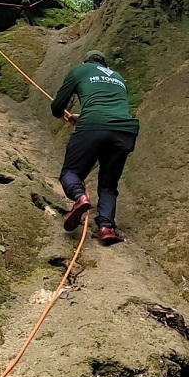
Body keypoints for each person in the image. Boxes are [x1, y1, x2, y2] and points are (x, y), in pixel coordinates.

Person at [50, 50, 139, 245]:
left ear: (86, 62)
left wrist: (73, 116)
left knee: (71, 172)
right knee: (108, 183)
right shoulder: (118, 78)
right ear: (105, 65)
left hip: (93, 126)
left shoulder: (79, 70)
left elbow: (57, 108)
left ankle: (80, 198)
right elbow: (110, 108)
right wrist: (81, 117)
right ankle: (107, 227)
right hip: (124, 131)